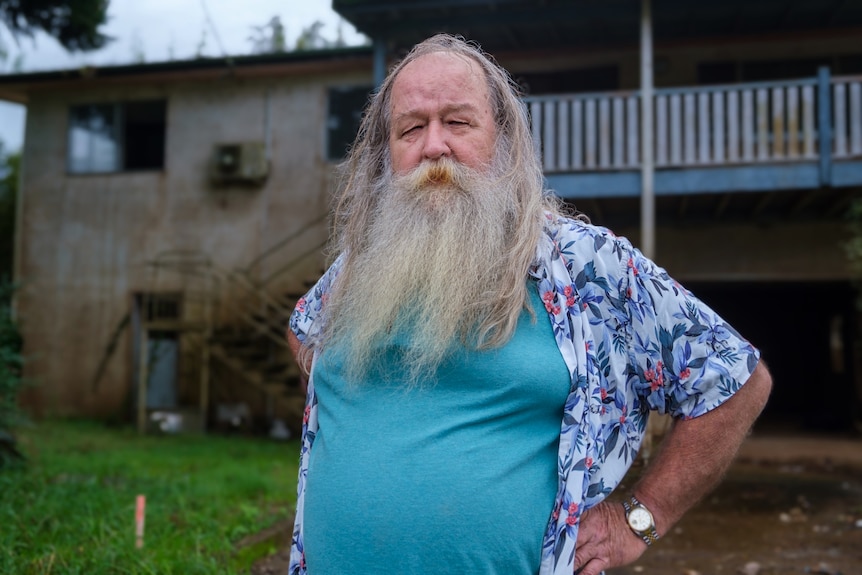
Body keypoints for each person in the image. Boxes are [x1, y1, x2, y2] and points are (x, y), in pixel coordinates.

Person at [286, 34, 772, 575]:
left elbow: (733, 378)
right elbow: (304, 329)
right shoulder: (364, 263)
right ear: (388, 153)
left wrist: (641, 516)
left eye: (459, 122)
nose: (434, 146)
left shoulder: (586, 263)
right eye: (411, 128)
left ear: (505, 140)